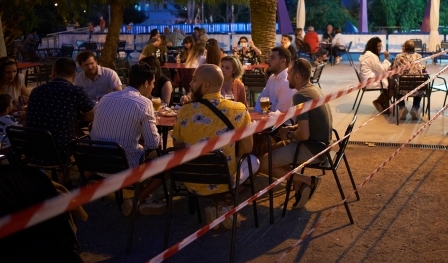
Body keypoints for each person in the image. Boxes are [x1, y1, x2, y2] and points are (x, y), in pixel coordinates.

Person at [172, 64, 257, 229]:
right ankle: (223, 205)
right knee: (253, 161)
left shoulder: (184, 111)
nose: (190, 84)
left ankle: (220, 206)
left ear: (205, 86)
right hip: (223, 181)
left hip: (191, 182)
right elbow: (247, 148)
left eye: (194, 80)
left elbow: (177, 145)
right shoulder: (238, 110)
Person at [90, 63, 165, 216]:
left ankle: (143, 199)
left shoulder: (105, 98)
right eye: (152, 83)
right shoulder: (144, 103)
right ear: (146, 83)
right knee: (168, 161)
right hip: (124, 167)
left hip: (98, 163)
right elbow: (153, 143)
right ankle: (138, 199)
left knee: (137, 148)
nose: (153, 87)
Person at [259, 58, 331, 209]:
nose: (287, 77)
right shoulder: (314, 90)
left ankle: (306, 181)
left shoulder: (300, 96)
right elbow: (310, 124)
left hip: (311, 148)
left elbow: (304, 135)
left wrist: (289, 135)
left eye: (289, 74)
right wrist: (291, 129)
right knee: (270, 149)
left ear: (297, 76)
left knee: (262, 163)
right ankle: (300, 184)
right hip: (322, 146)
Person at [26, 58, 95, 173]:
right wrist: (78, 116)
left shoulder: (36, 91)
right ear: (74, 75)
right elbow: (92, 116)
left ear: (53, 73)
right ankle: (84, 179)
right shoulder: (76, 91)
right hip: (60, 154)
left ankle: (62, 181)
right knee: (87, 140)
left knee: (64, 134)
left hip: (33, 151)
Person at [255, 47, 296, 113]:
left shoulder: (287, 82)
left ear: (282, 61)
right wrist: (257, 113)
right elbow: (261, 99)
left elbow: (281, 114)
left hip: (284, 122)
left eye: (272, 58)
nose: (268, 60)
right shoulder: (272, 78)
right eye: (269, 57)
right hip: (272, 120)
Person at [393, 40, 424, 120]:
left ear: (405, 48)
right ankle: (415, 108)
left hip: (403, 88)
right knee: (419, 85)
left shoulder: (399, 56)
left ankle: (402, 107)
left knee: (396, 87)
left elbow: (394, 69)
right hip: (417, 88)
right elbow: (421, 68)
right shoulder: (419, 56)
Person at [359, 37, 391, 115]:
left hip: (367, 80)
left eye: (381, 46)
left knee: (389, 81)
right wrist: (386, 58)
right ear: (373, 46)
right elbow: (381, 70)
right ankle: (379, 102)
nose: (380, 49)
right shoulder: (371, 56)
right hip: (370, 82)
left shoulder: (367, 54)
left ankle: (383, 103)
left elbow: (378, 68)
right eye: (378, 46)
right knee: (392, 84)